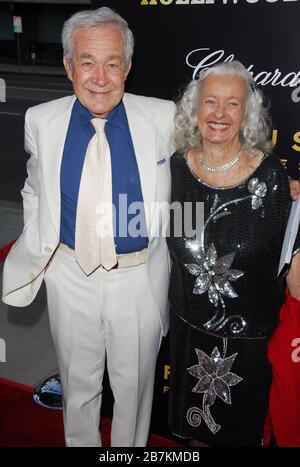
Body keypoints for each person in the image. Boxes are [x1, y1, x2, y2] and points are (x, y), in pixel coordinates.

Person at [2, 7, 175, 447]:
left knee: (135, 392)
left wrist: (275, 179)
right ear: (67, 64)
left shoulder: (165, 118)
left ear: (128, 67)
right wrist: (42, 241)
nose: (100, 77)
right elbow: (34, 187)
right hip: (69, 274)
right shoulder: (41, 120)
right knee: (77, 388)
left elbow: (216, 152)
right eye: (87, 61)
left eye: (112, 63)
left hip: (137, 277)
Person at [167, 60, 300, 447]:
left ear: (247, 115)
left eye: (232, 104)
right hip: (188, 335)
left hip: (249, 348)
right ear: (195, 110)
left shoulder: (273, 180)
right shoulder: (175, 170)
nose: (220, 114)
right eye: (210, 102)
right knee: (191, 438)